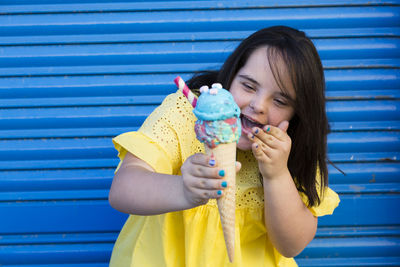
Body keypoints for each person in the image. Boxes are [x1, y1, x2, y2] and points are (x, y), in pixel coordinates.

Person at [108, 25, 340, 266]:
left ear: (296, 115)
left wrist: (277, 175)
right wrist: (184, 190)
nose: (258, 105)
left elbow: (291, 244)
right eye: (249, 86)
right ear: (230, 76)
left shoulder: (289, 151)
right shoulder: (186, 112)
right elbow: (123, 189)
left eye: (280, 100)